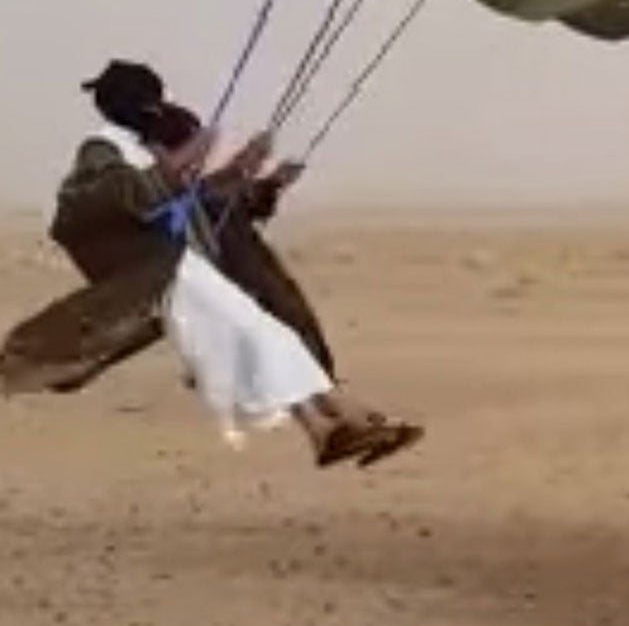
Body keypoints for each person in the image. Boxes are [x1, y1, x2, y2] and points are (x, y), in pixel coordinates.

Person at [2, 60, 420, 468]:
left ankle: (333, 427)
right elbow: (132, 199)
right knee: (265, 339)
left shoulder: (140, 153)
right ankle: (346, 423)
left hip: (186, 273)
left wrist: (254, 177)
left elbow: (200, 197)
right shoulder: (104, 151)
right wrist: (193, 156)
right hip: (167, 277)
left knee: (267, 341)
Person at [141, 100, 338, 377]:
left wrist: (270, 182)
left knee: (298, 332)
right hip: (240, 290)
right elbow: (190, 207)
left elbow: (244, 204)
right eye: (194, 146)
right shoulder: (153, 190)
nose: (201, 155)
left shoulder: (194, 188)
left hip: (259, 280)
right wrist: (242, 166)